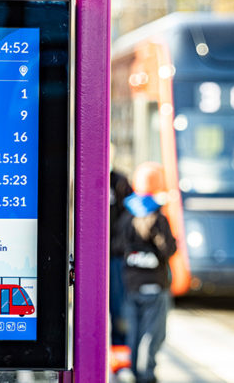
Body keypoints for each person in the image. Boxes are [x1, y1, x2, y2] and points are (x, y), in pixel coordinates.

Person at [120, 162, 177, 383]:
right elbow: (168, 249)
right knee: (152, 333)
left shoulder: (126, 217)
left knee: (134, 331)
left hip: (131, 284)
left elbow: (117, 247)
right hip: (155, 285)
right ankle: (147, 374)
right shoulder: (158, 219)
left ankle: (135, 371)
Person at [109, 145, 135, 370]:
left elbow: (130, 215)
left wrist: (119, 245)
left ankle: (120, 362)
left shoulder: (120, 181)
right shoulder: (80, 177)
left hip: (116, 257)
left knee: (118, 307)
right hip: (89, 259)